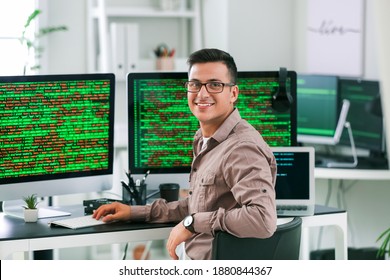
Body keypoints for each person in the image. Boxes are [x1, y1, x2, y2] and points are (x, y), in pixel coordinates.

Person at [93, 48, 277, 260]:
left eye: (215, 85)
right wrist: (134, 212)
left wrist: (193, 223)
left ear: (233, 93)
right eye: (195, 84)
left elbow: (263, 220)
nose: (202, 93)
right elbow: (198, 205)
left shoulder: (241, 148)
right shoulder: (204, 138)